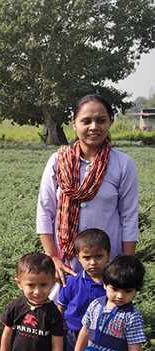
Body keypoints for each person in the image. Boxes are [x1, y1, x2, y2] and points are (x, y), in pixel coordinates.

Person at [36, 94, 138, 291]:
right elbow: (44, 212)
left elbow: (129, 217)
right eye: (86, 121)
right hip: (65, 264)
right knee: (62, 313)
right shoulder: (58, 161)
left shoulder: (123, 164)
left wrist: (125, 264)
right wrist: (52, 258)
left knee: (106, 316)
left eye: (101, 120)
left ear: (110, 122)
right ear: (74, 124)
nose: (94, 127)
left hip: (107, 263)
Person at [58, 229, 110, 351]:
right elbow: (61, 307)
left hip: (98, 336)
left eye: (98, 256)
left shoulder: (111, 285)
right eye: (86, 257)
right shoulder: (72, 282)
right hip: (71, 333)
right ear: (78, 258)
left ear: (108, 255)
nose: (93, 262)